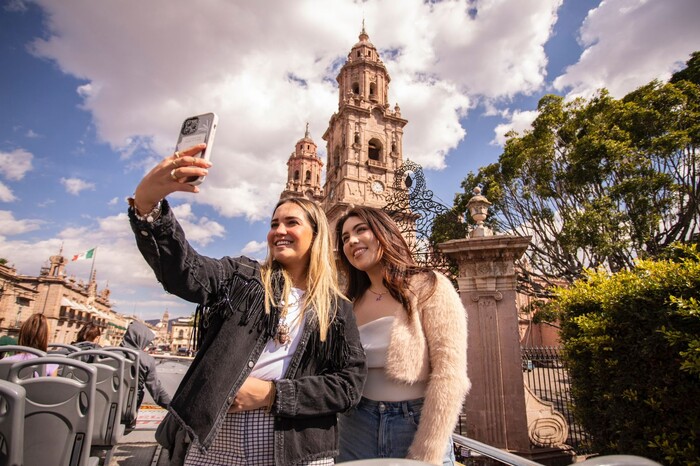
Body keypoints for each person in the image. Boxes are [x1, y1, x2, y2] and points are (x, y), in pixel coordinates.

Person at [128, 143, 366, 465]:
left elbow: (348, 386)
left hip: (297, 446)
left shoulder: (336, 308)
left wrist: (272, 396)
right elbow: (186, 272)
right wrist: (148, 207)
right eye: (273, 224)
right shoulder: (242, 278)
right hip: (219, 436)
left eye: (291, 223)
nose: (279, 231)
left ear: (316, 234)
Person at [335, 206, 470, 466]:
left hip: (414, 424)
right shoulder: (348, 301)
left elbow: (450, 374)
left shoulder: (430, 286)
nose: (351, 240)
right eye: (344, 238)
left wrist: (428, 450)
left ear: (384, 233)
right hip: (355, 427)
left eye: (361, 230)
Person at [120, 319, 172, 410]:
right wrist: (173, 407)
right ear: (140, 339)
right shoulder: (146, 360)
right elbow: (156, 391)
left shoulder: (105, 353)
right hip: (127, 409)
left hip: (100, 406)